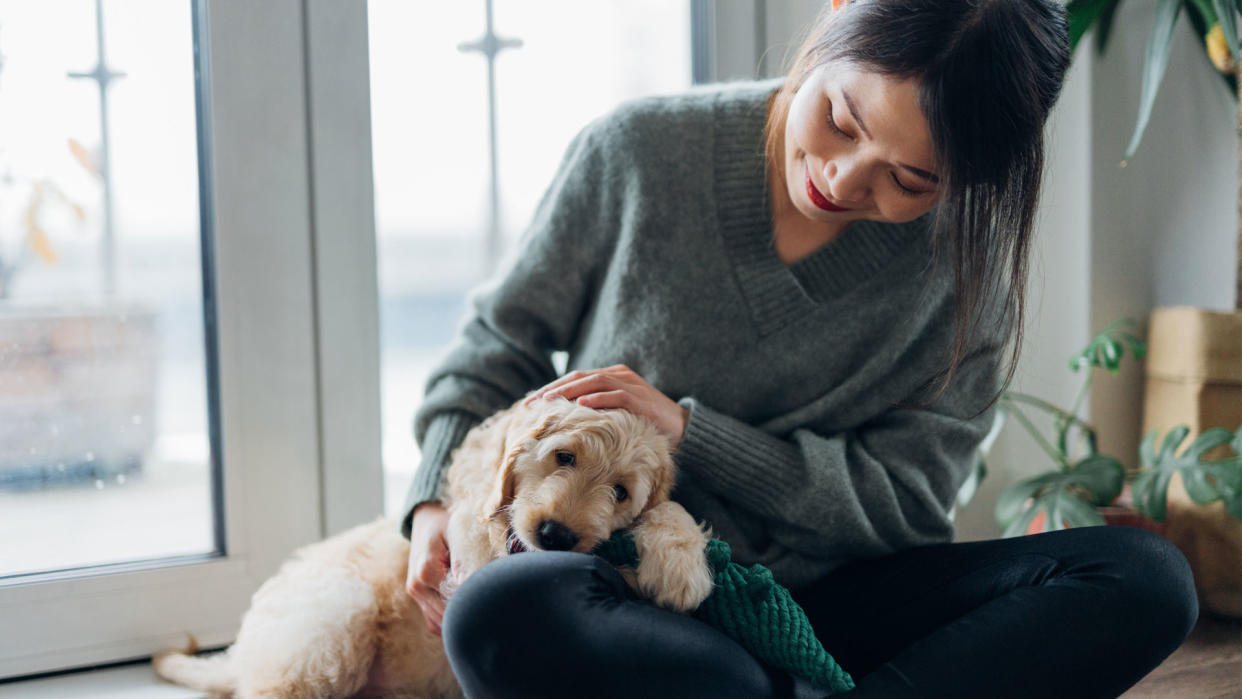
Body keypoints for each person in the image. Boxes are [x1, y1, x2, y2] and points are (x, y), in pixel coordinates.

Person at [400, 0, 1198, 697]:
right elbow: (494, 350)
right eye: (843, 120)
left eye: (911, 178)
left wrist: (690, 432)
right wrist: (435, 499)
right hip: (644, 597)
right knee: (498, 610)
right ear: (836, 11)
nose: (845, 179)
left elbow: (905, 504)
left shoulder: (967, 273)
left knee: (1146, 580)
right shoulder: (637, 154)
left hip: (839, 600)